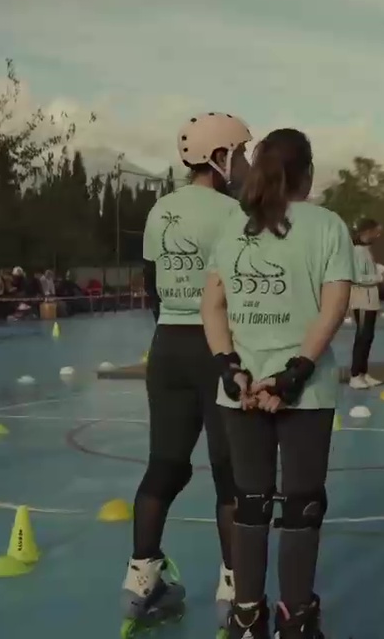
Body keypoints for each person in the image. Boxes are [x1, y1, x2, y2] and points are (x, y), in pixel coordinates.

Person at [201, 128, 353, 639]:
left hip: (240, 391)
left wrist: (231, 368)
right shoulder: (329, 225)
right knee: (302, 505)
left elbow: (211, 306)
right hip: (304, 392)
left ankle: (248, 617)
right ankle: (295, 619)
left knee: (250, 501)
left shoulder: (233, 227)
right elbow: (334, 307)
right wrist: (295, 374)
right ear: (306, 174)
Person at [117, 113, 252, 638]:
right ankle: (234, 592)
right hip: (216, 346)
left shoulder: (159, 211)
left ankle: (140, 580)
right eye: (240, 151)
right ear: (220, 157)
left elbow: (153, 283)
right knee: (230, 478)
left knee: (164, 467)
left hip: (167, 345)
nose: (244, 160)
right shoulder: (235, 212)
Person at [348, 217, 384, 389]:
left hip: (372, 299)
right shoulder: (356, 251)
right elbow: (356, 277)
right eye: (376, 231)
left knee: (368, 336)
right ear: (367, 232)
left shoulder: (366, 250)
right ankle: (355, 375)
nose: (378, 235)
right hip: (361, 299)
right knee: (361, 337)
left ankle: (363, 373)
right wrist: (378, 277)